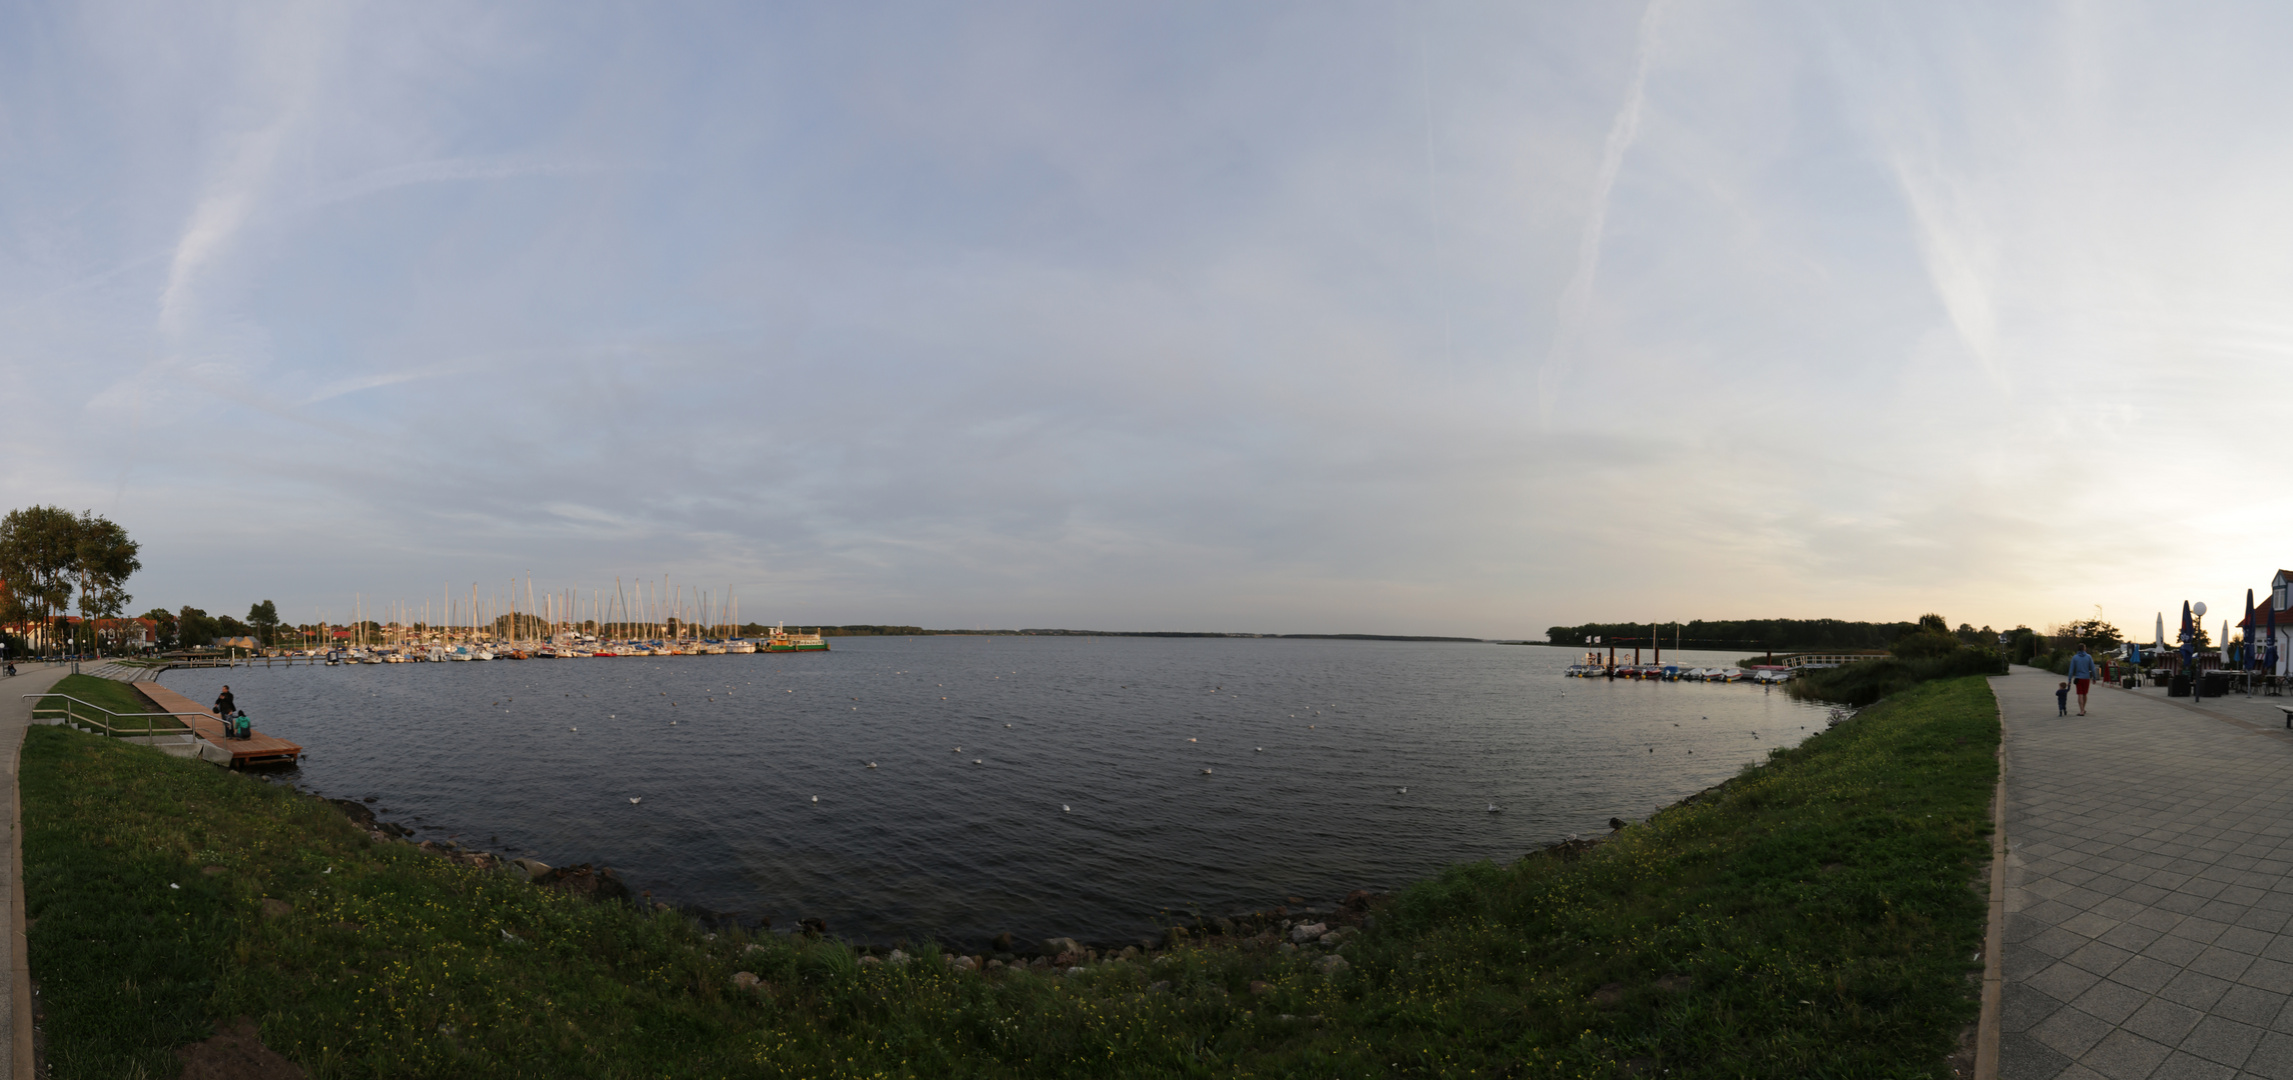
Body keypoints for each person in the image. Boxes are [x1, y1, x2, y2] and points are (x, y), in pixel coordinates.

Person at [2067, 645, 2099, 715]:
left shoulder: (2075, 657)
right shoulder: (2089, 657)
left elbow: (2071, 670)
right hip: (2086, 678)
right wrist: (2094, 678)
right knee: (2085, 694)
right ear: (2084, 649)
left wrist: (2069, 680)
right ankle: (2083, 709)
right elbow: (2093, 668)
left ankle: (2081, 710)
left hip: (2078, 678)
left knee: (2080, 694)